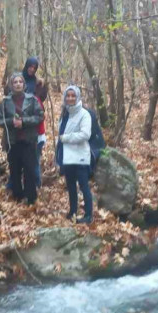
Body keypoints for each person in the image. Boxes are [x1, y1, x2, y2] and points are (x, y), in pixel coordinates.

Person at [0, 73, 44, 205]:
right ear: (11, 85)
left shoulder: (32, 100)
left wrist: (24, 122)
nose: (17, 84)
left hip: (28, 141)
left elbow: (40, 116)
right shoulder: (5, 101)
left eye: (20, 82)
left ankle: (31, 197)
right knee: (14, 169)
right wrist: (11, 122)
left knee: (29, 169)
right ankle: (17, 196)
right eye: (15, 82)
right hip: (12, 141)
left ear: (24, 84)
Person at [5, 57, 48, 189]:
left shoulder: (38, 84)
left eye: (35, 67)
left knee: (33, 160)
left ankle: (35, 184)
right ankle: (14, 184)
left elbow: (41, 107)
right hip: (15, 127)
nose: (32, 69)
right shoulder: (17, 80)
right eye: (30, 66)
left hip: (32, 128)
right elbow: (7, 98)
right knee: (15, 160)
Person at [57, 85, 93, 224]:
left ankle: (89, 215)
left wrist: (66, 138)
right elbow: (60, 134)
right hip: (67, 157)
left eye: (73, 96)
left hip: (80, 156)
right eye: (68, 95)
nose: (70, 98)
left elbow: (85, 134)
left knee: (84, 186)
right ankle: (73, 211)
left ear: (77, 97)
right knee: (70, 185)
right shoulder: (64, 113)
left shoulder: (84, 114)